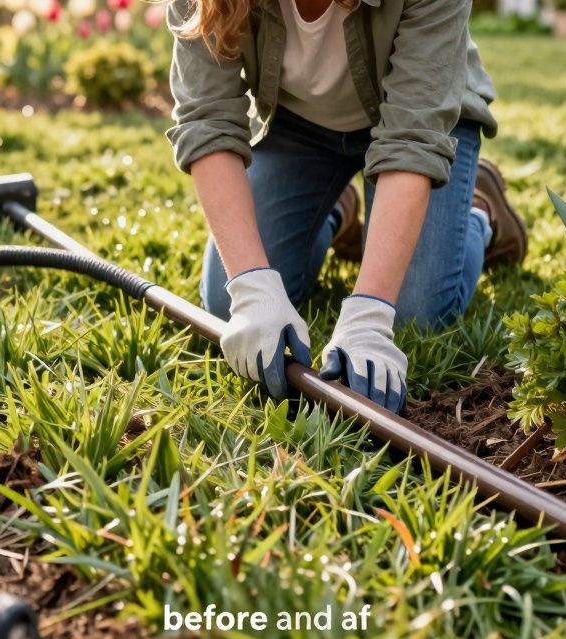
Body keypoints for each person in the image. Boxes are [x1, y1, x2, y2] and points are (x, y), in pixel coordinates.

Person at [165, 0, 527, 414]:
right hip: (299, 124)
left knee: (416, 314)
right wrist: (251, 287)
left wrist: (371, 315)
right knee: (223, 297)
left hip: (423, 125)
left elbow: (413, 138)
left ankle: (480, 211)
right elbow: (207, 120)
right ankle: (336, 207)